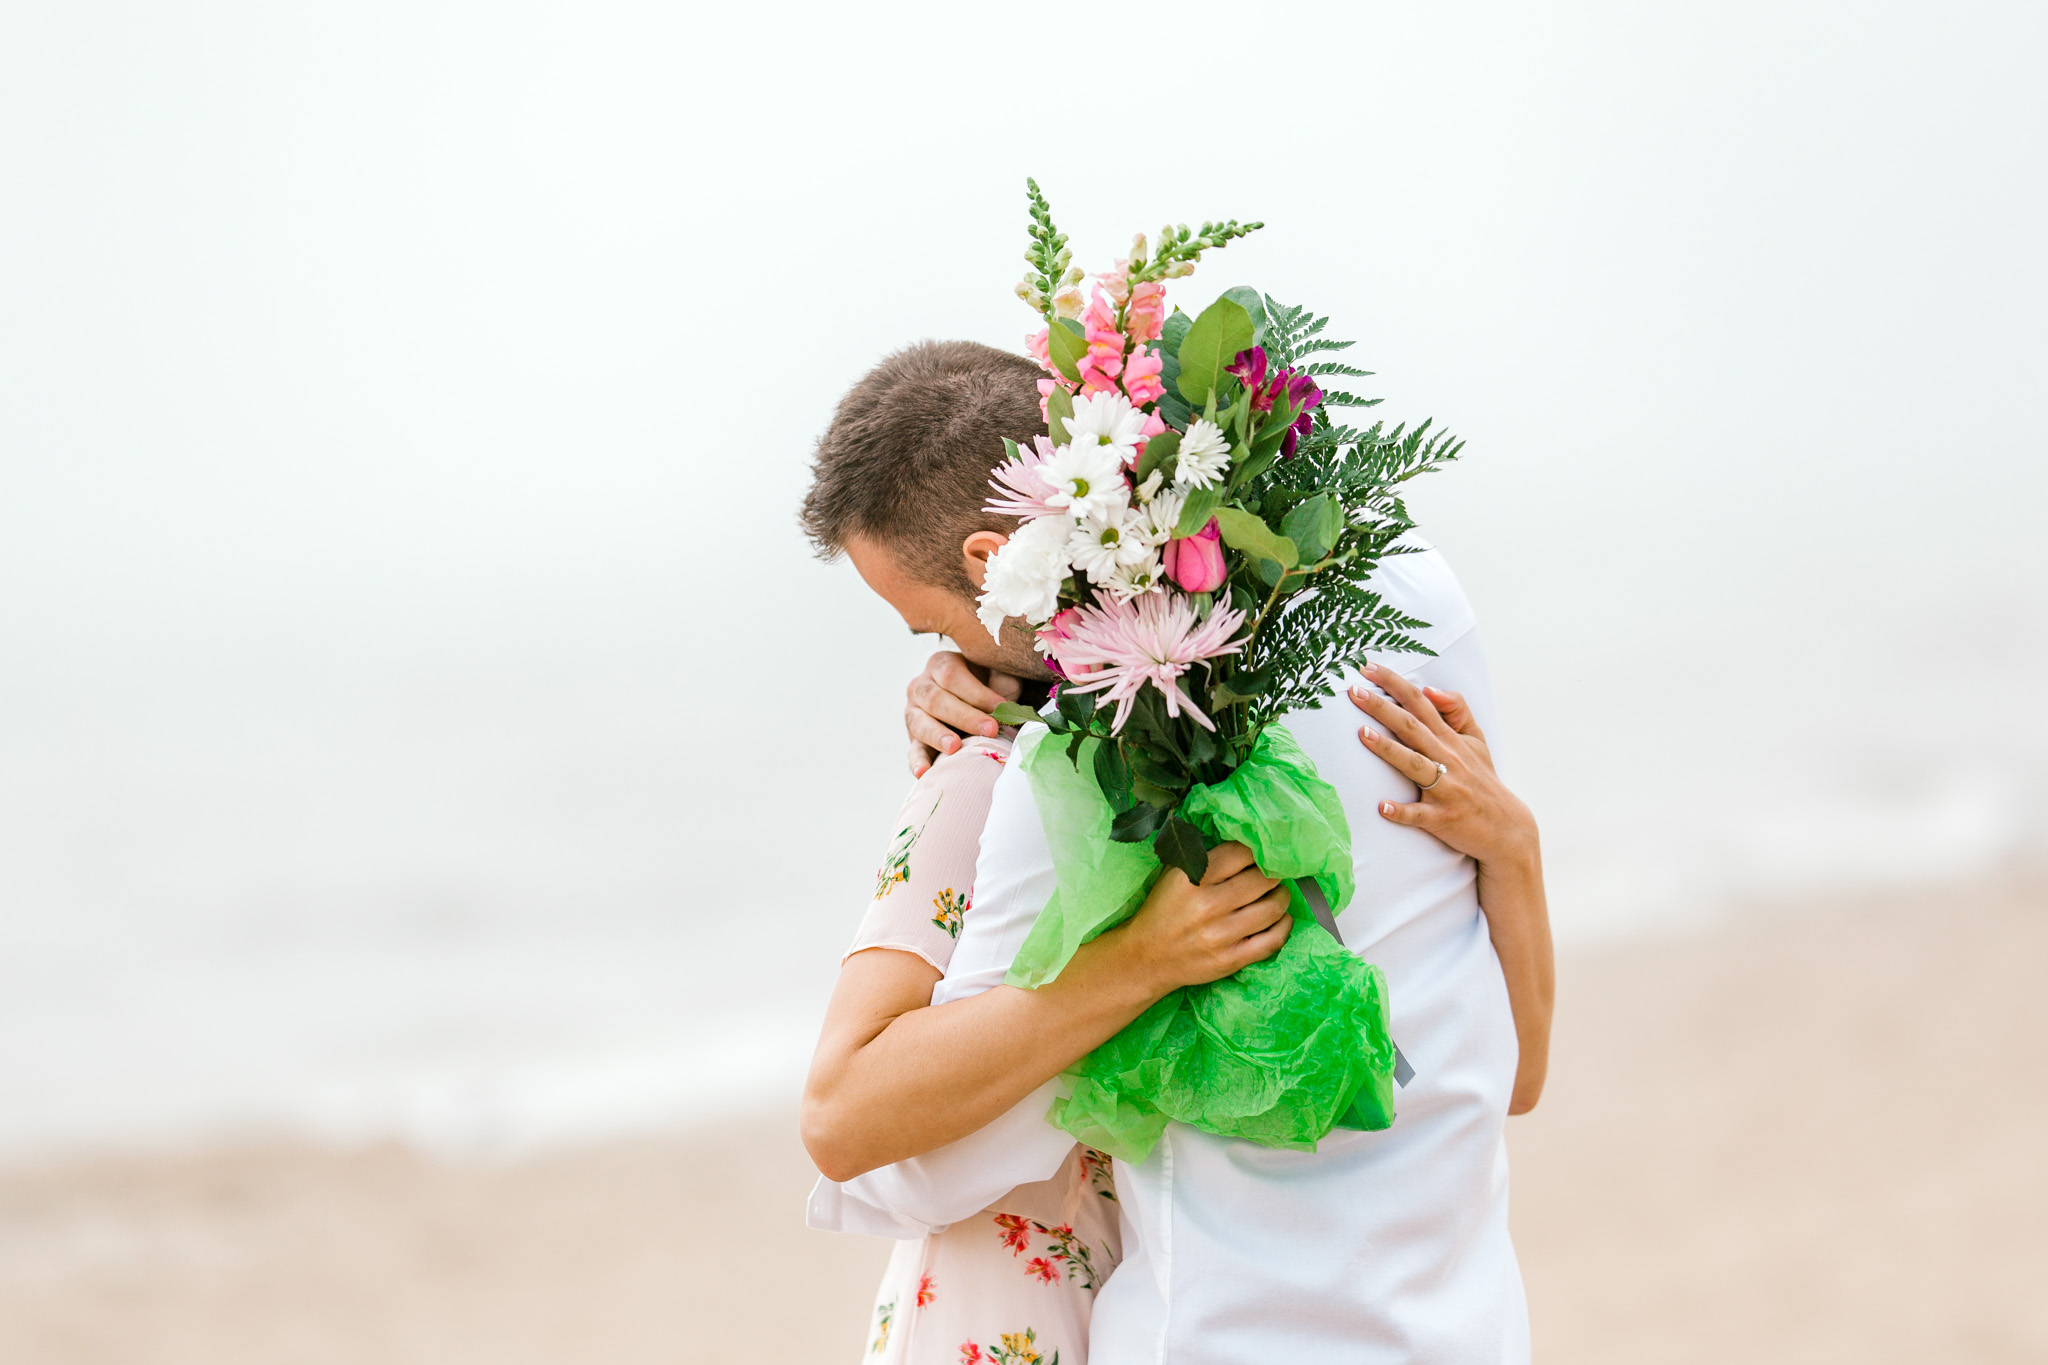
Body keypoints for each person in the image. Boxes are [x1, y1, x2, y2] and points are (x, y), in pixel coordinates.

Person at [801, 340, 1551, 1362]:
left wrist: (1132, 967)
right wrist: (1515, 853)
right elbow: (1502, 1060)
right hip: (1466, 1333)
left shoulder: (1071, 772)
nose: (948, 661)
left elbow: (880, 1147)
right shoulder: (1418, 600)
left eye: (931, 624)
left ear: (992, 564)